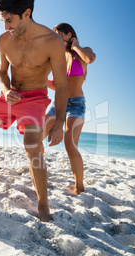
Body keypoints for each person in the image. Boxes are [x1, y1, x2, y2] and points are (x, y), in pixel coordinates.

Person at [0, 0, 68, 222]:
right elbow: (2, 72)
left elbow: (62, 84)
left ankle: (43, 205)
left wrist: (59, 122)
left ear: (27, 14)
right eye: (3, 21)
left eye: (9, 20)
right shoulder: (4, 40)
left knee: (32, 145)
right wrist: (5, 89)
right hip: (10, 96)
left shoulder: (52, 42)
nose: (5, 27)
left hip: (35, 98)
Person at [42, 23, 96, 195]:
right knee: (36, 135)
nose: (55, 38)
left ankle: (79, 186)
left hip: (76, 104)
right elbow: (56, 85)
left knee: (70, 145)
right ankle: (40, 172)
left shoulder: (82, 51)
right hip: (58, 102)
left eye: (58, 35)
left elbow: (90, 59)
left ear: (69, 35)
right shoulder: (57, 57)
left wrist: (76, 46)